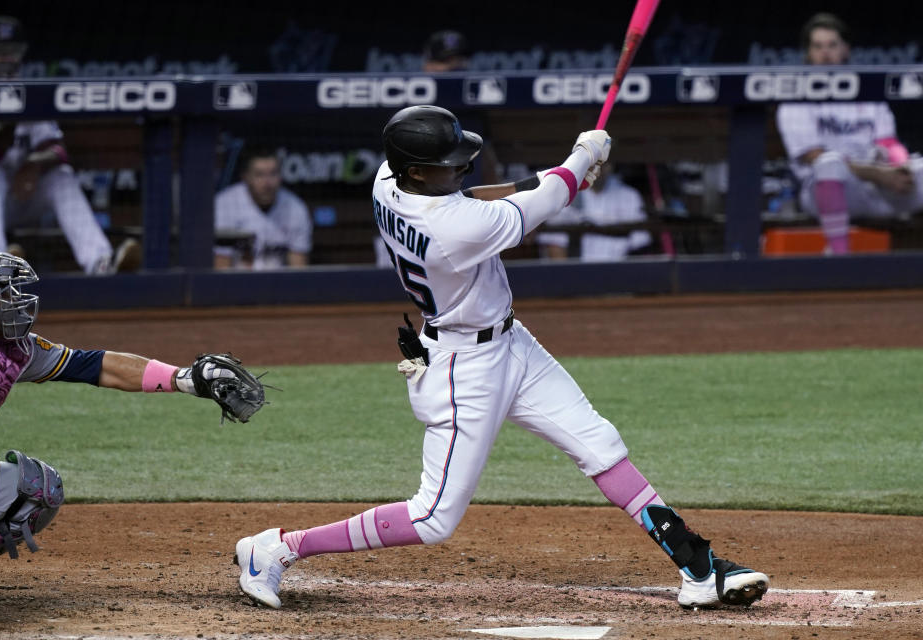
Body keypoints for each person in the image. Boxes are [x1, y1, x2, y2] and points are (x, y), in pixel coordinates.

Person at [234, 105, 769, 610]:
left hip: (512, 344)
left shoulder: (387, 179)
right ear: (418, 172)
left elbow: (487, 194)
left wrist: (566, 175)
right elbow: (535, 203)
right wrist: (580, 160)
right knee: (433, 518)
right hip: (462, 370)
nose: (461, 167)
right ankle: (277, 548)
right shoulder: (452, 230)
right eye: (449, 164)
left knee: (598, 442)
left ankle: (698, 567)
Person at [0, 246, 265, 606]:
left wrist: (186, 379)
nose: (13, 300)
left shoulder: (13, 352)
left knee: (36, 492)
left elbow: (95, 365)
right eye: (0, 292)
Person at [0, 16, 139, 275]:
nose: (5, 60)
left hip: (22, 194)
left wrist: (34, 166)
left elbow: (57, 149)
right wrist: (9, 124)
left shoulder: (28, 89)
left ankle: (100, 262)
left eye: (11, 53)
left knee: (61, 177)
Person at [775, 13, 923, 254]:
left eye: (832, 45)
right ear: (808, 53)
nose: (825, 53)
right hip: (826, 193)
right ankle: (840, 257)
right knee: (829, 163)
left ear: (846, 49)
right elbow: (814, 156)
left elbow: (888, 142)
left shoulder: (867, 92)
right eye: (818, 46)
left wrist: (901, 166)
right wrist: (879, 174)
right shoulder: (796, 99)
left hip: (881, 189)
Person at [214, 148, 312, 269]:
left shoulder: (295, 208)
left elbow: (299, 270)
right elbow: (221, 269)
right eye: (259, 175)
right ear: (246, 177)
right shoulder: (224, 204)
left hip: (280, 284)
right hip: (238, 284)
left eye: (273, 173)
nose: (267, 183)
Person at [538, 163, 653, 261]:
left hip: (620, 273)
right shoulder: (565, 194)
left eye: (602, 162)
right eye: (592, 163)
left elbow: (640, 247)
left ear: (610, 165)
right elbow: (555, 245)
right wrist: (566, 282)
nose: (596, 168)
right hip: (578, 275)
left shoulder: (629, 195)